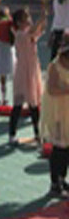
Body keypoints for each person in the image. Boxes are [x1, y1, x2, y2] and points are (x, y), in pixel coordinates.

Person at [10, 6, 46, 145]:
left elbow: (39, 30)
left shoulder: (29, 35)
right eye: (27, 18)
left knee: (34, 105)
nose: (29, 20)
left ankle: (38, 133)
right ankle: (12, 134)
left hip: (32, 71)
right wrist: (41, 18)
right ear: (19, 23)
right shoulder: (19, 34)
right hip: (23, 72)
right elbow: (32, 31)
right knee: (18, 105)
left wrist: (44, 17)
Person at [40, 37, 69, 196]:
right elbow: (51, 90)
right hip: (57, 112)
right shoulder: (55, 66)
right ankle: (54, 183)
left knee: (67, 148)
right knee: (59, 148)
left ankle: (62, 179)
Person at [0, 8, 15, 108]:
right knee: (0, 78)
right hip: (1, 55)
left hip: (0, 55)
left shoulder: (4, 29)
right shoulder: (3, 29)